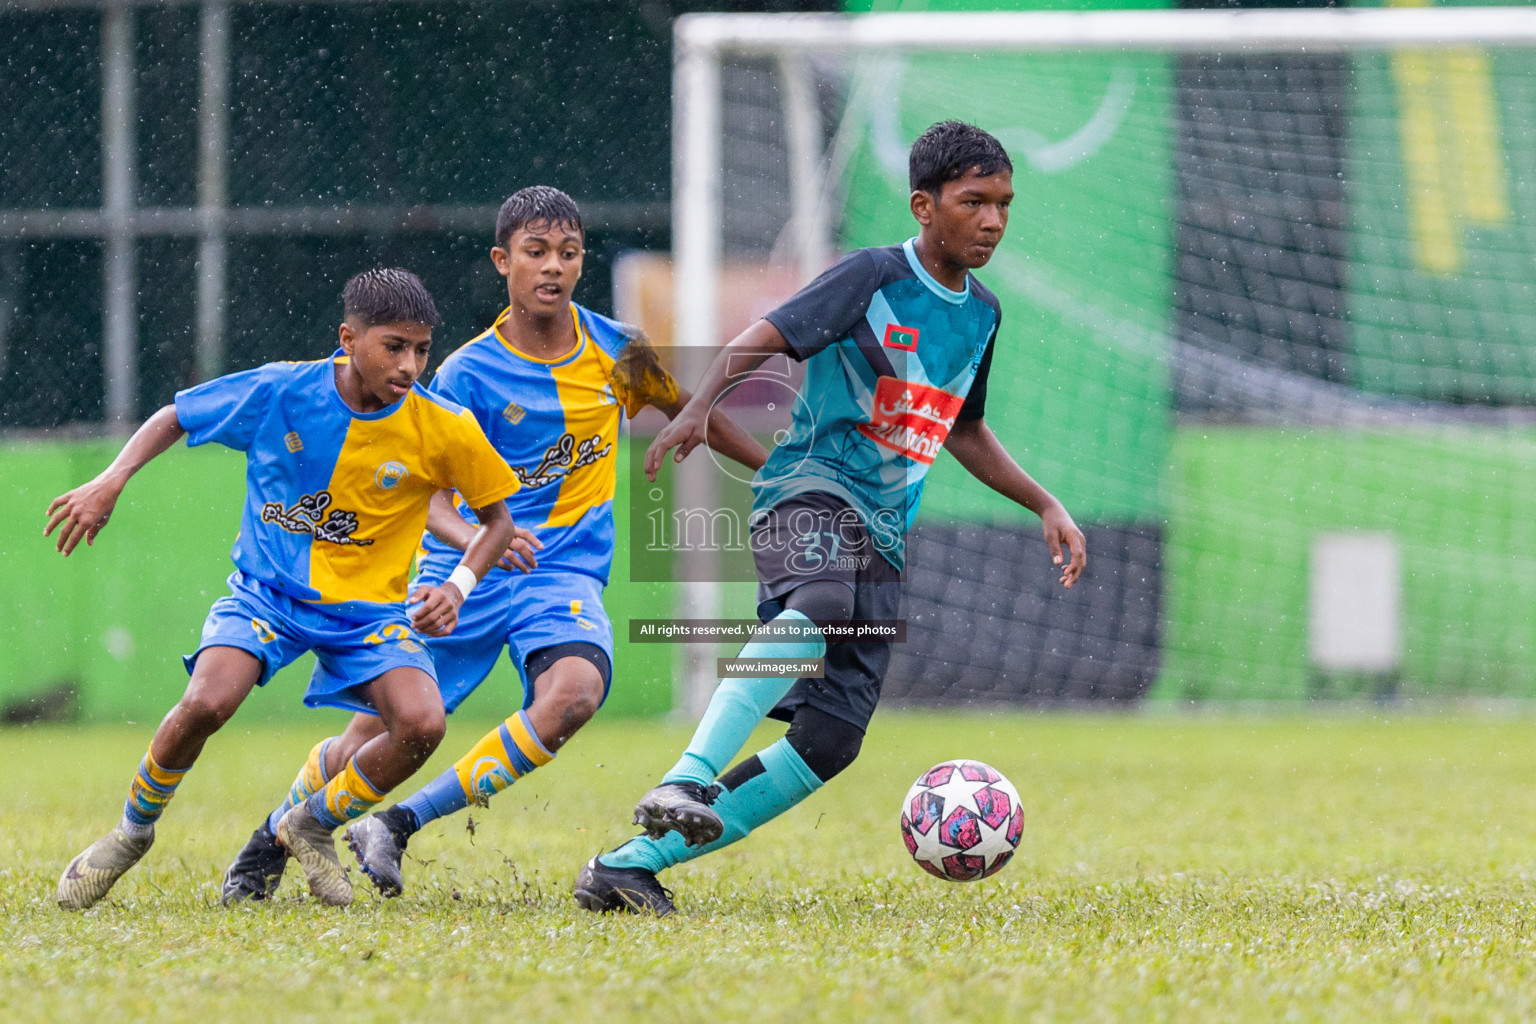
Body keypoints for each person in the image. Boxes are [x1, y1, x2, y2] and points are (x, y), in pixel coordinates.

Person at [573, 121, 1088, 916]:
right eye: (974, 201)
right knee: (820, 603)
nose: (992, 220)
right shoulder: (872, 276)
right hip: (808, 489)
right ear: (925, 205)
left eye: (1004, 204)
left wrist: (1045, 501)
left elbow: (964, 427)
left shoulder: (982, 315)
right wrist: (697, 407)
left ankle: (627, 866)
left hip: (883, 533)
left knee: (830, 742)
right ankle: (687, 775)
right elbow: (763, 337)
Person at [220, 186, 767, 902]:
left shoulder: (615, 351)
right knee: (378, 735)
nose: (554, 268)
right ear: (502, 261)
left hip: (560, 572)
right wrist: (480, 541)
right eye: (536, 252)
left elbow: (692, 408)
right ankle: (270, 839)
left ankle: (400, 823)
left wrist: (778, 472)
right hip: (461, 578)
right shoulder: (466, 374)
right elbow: (428, 496)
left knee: (573, 696)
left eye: (568, 254)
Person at [52, 268, 520, 910]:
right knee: (208, 703)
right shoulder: (281, 390)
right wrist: (112, 480)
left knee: (422, 724)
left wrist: (460, 586)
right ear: (347, 338)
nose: (410, 364)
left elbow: (499, 523)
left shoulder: (443, 426)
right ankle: (130, 833)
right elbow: (175, 415)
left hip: (368, 614)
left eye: (421, 349)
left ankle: (309, 822)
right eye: (394, 346)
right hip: (266, 596)